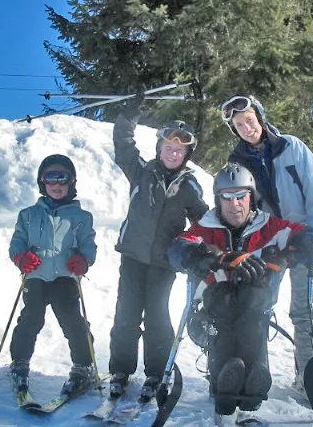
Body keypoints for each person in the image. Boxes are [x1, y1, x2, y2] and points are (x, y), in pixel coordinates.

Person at [168, 162, 313, 415]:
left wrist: (286, 257)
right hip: (216, 302)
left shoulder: (270, 227)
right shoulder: (206, 227)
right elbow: (178, 248)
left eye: (241, 196)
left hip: (257, 301)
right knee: (224, 305)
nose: (235, 205)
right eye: (227, 198)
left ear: (251, 198)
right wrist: (214, 257)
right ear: (218, 200)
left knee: (253, 301)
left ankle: (254, 377)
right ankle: (224, 380)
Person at [220, 93, 313, 392]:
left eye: (249, 120)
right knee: (257, 305)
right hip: (270, 242)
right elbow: (243, 208)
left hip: (304, 238)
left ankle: (309, 376)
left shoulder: (292, 147)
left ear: (260, 117)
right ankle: (254, 372)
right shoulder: (238, 161)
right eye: (239, 125)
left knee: (305, 310)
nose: (246, 128)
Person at [108, 99, 209, 400]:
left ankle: (155, 373)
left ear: (186, 155)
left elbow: (204, 224)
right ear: (160, 147)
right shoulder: (141, 171)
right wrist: (129, 115)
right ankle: (120, 371)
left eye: (179, 150)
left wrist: (200, 249)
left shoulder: (190, 187)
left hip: (164, 264)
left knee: (157, 318)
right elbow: (123, 145)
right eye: (168, 146)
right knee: (126, 315)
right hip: (133, 257)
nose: (173, 152)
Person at [8, 154, 97, 396]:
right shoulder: (28, 215)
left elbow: (89, 244)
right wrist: (21, 258)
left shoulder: (82, 217)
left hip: (65, 277)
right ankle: (19, 362)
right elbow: (17, 242)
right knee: (30, 319)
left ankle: (83, 365)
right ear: (42, 181)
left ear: (72, 181)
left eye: (63, 177)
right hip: (36, 275)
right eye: (51, 177)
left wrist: (84, 260)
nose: (57, 184)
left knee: (72, 320)